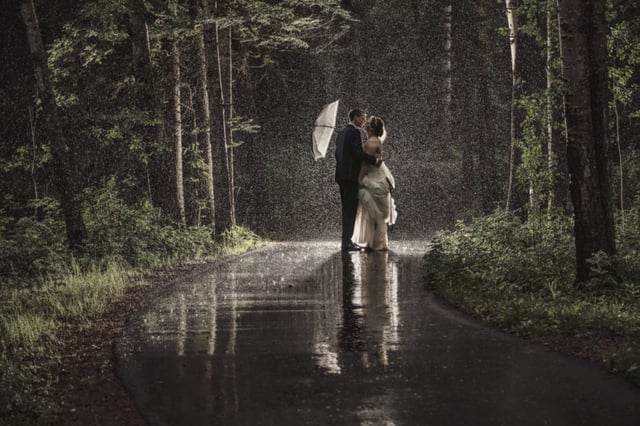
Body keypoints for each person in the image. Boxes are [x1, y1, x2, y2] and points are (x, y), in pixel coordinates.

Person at [335, 108, 382, 252]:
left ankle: (346, 241)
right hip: (350, 177)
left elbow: (337, 154)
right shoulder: (354, 132)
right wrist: (374, 160)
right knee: (350, 210)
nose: (364, 121)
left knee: (346, 209)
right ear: (355, 118)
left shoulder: (341, 133)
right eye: (362, 118)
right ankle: (347, 243)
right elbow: (357, 152)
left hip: (342, 175)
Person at [352, 116, 397, 251]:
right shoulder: (375, 140)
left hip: (373, 180)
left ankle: (377, 244)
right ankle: (375, 243)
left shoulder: (371, 142)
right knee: (374, 212)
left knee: (374, 212)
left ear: (371, 128)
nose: (365, 124)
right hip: (376, 177)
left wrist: (359, 179)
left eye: (368, 123)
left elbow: (366, 164)